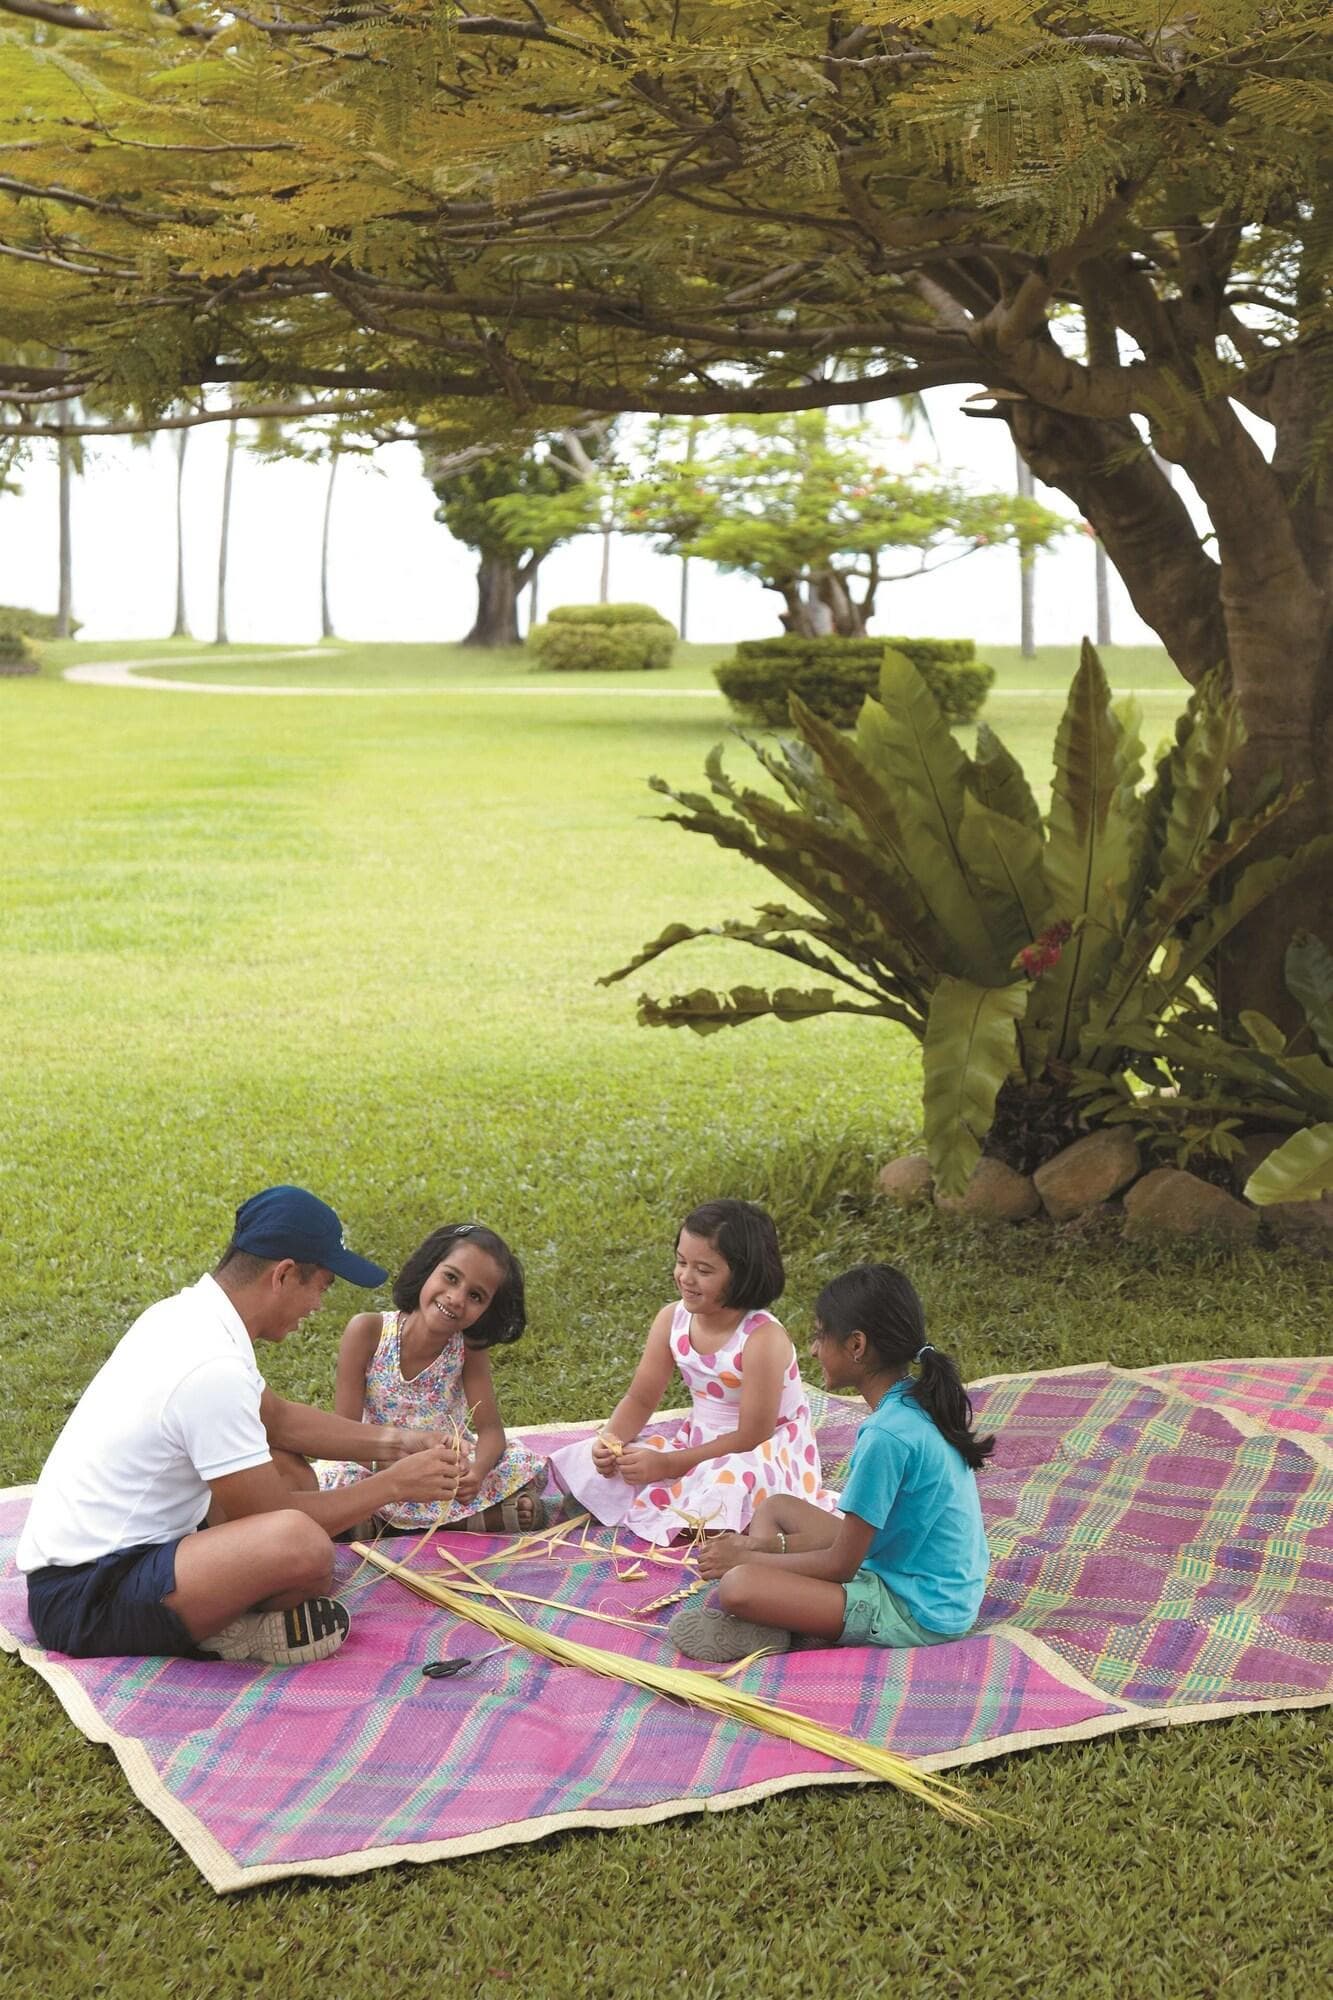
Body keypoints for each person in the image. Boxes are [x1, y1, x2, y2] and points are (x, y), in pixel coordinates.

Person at [17, 1186, 461, 1667]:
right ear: (284, 1274)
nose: (318, 1305)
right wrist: (393, 1486)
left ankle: (212, 1609)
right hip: (85, 1597)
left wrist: (400, 1443)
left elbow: (279, 1420)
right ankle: (228, 1632)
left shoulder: (189, 1316)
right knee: (303, 1550)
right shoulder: (212, 1369)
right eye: (322, 1286)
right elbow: (278, 1522)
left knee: (290, 1471)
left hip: (112, 1558)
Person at [669, 1263, 992, 1662]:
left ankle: (771, 1619)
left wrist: (747, 1557)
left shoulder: (886, 1437)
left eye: (821, 1335)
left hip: (917, 1610)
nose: (814, 1349)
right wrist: (761, 1546)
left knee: (737, 1586)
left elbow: (842, 1563)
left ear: (856, 1346)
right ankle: (775, 1616)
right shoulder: (913, 1400)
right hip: (907, 1567)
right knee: (776, 1506)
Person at [549, 1199, 834, 1546]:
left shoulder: (761, 1338)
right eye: (681, 1262)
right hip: (698, 1441)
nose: (686, 1277)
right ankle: (572, 1506)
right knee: (602, 1461)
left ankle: (710, 1528)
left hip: (762, 1449)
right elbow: (640, 1398)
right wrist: (611, 1441)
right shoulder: (673, 1320)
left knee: (727, 1481)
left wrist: (668, 1465)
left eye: (704, 1269)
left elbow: (753, 1435)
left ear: (743, 1275)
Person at [314, 1222, 548, 1532]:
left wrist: (475, 1475)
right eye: (451, 1278)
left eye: (476, 1296)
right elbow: (344, 1434)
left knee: (515, 1463)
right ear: (427, 1268)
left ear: (487, 1311)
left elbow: (491, 1430)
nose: (456, 1298)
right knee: (338, 1479)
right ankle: (474, 1521)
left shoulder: (468, 1349)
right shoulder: (367, 1332)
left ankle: (383, 1526)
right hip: (376, 1464)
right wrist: (387, 1471)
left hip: (444, 1470)